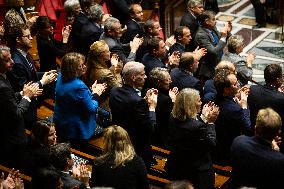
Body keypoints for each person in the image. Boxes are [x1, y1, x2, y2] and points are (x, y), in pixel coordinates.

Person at [166, 88, 219, 189]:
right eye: (199, 100)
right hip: (196, 171)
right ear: (190, 105)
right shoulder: (196, 127)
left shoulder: (173, 117)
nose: (201, 103)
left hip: (178, 165)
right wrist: (211, 122)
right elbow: (211, 143)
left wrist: (203, 118)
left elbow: (192, 127)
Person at [6, 25, 57, 128]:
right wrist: (43, 82)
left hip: (32, 103)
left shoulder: (25, 53)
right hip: (24, 106)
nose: (31, 38)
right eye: (27, 36)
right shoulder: (16, 61)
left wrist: (44, 74)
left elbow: (29, 73)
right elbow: (25, 88)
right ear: (18, 39)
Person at [109, 61, 158, 167]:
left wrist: (143, 101)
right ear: (133, 77)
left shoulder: (114, 91)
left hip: (117, 138)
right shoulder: (137, 101)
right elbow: (150, 128)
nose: (145, 77)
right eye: (142, 74)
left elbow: (128, 108)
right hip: (134, 145)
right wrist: (152, 107)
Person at [53, 52, 107, 147]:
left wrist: (89, 92)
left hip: (61, 120)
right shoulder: (78, 86)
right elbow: (91, 109)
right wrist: (96, 93)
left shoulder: (61, 75)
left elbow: (73, 97)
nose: (84, 66)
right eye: (81, 65)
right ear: (73, 69)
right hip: (75, 129)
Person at [0, 45, 39, 169]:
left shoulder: (3, 78)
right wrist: (27, 97)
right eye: (7, 60)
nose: (12, 62)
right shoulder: (2, 86)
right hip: (12, 139)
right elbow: (16, 114)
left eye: (11, 58)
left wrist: (22, 93)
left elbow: (7, 100)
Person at [231, 108, 284, 188]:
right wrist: (275, 152)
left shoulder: (238, 142)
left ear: (255, 127)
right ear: (277, 133)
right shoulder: (280, 160)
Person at [213, 68, 251, 165]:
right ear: (226, 89)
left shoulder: (212, 97)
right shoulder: (235, 109)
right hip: (228, 151)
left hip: (216, 145)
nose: (238, 84)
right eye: (234, 84)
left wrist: (234, 97)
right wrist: (244, 105)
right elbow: (247, 127)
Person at [248, 64, 284, 151]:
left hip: (252, 131)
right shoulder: (281, 98)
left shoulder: (252, 90)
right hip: (274, 137)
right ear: (278, 79)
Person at [85, 40, 123, 111]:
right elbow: (119, 89)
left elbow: (105, 75)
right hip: (104, 105)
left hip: (94, 98)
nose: (110, 53)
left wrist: (113, 67)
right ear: (101, 55)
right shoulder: (105, 73)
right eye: (108, 51)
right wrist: (117, 72)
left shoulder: (90, 65)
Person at [194, 10, 232, 81]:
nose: (216, 21)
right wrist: (223, 37)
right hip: (209, 68)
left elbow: (220, 40)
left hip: (218, 61)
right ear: (207, 21)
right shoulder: (201, 35)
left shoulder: (212, 28)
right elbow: (213, 51)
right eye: (213, 19)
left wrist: (227, 32)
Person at [148, 67, 178, 147]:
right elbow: (172, 119)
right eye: (167, 80)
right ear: (159, 82)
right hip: (161, 137)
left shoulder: (147, 91)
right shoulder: (166, 100)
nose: (170, 81)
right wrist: (173, 101)